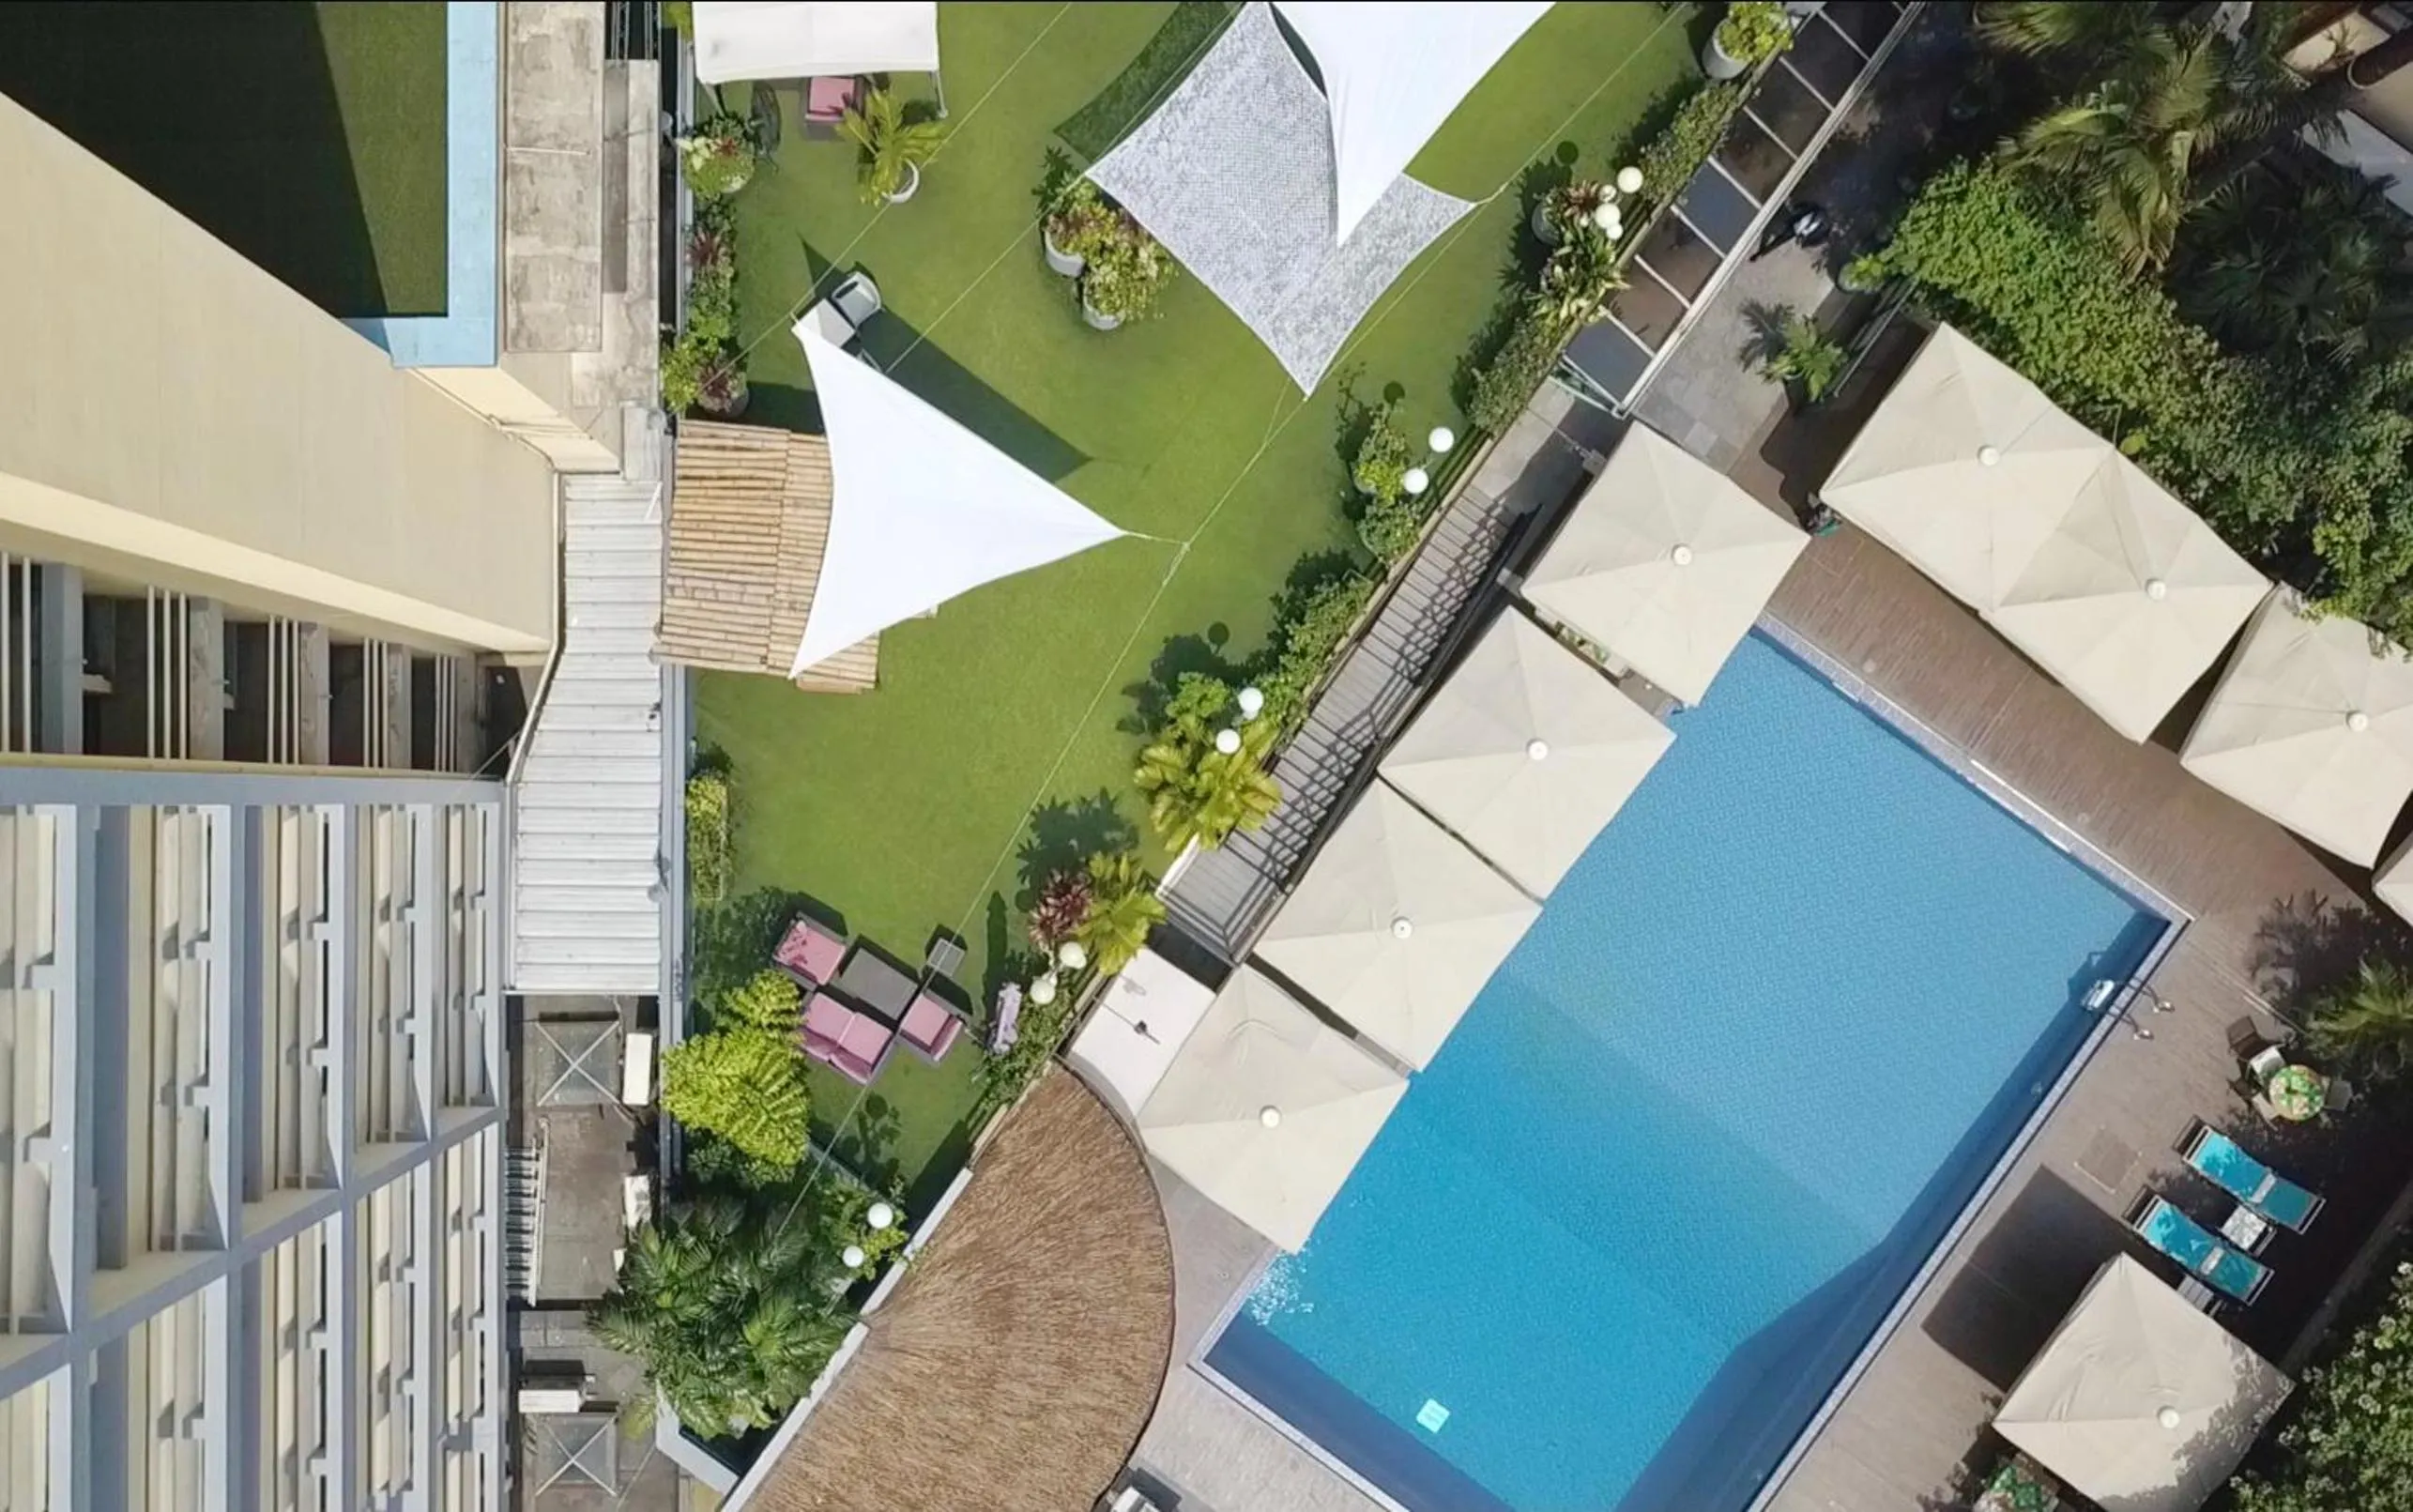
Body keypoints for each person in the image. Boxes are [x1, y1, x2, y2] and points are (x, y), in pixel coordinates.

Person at [1750, 200, 1831, 262]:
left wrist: (1802, 237)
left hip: (1795, 230)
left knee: (1777, 241)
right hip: (1794, 226)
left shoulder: (1820, 220)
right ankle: (1761, 252)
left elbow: (1811, 229)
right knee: (1777, 239)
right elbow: (1804, 208)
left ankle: (1760, 253)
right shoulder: (1817, 212)